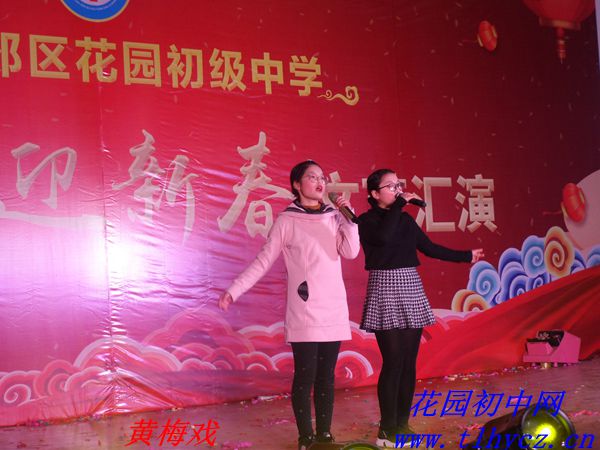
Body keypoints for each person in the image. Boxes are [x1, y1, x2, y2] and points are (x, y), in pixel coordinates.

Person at [218, 160, 360, 450]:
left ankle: (325, 436)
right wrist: (234, 290)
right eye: (312, 177)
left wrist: (350, 220)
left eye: (322, 177)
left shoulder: (334, 216)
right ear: (297, 184)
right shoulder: (287, 220)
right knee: (306, 375)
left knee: (326, 377)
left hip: (333, 306)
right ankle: (306, 438)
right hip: (305, 309)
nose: (320, 182)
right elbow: (263, 261)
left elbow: (351, 251)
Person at [357, 169, 484, 448]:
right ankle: (386, 430)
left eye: (398, 185)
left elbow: (429, 248)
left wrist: (465, 256)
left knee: (408, 363)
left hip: (410, 286)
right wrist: (400, 205)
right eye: (391, 186)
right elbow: (384, 238)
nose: (397, 190)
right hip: (385, 287)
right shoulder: (367, 221)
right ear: (375, 194)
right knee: (393, 362)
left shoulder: (404, 219)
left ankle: (403, 424)